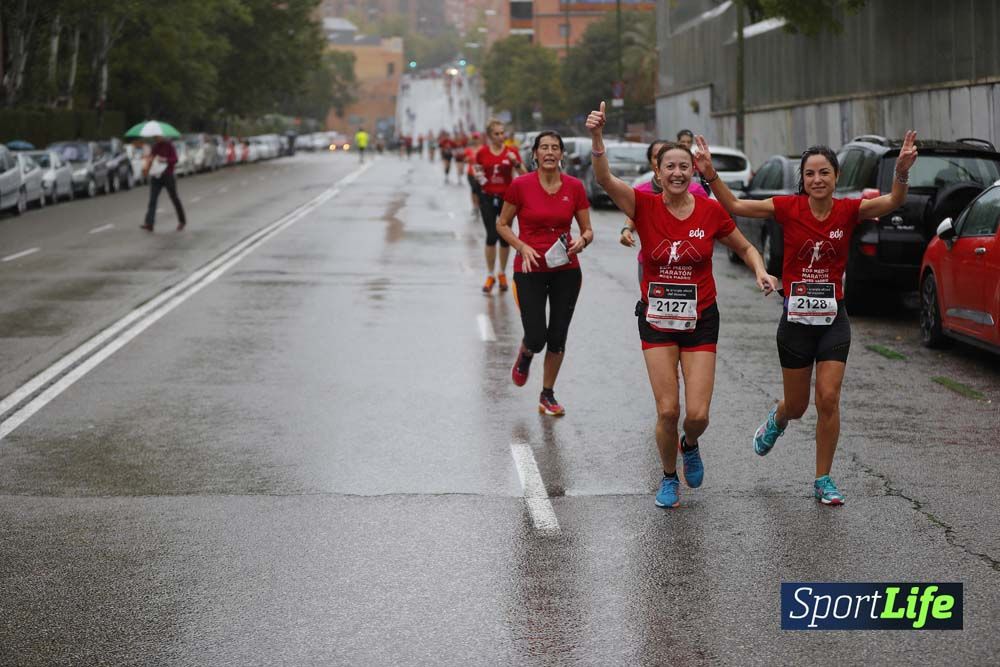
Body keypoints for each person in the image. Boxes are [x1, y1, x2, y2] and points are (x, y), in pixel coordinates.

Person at [694, 132, 919, 506]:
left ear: (835, 176)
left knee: (828, 399)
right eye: (811, 173)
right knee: (797, 406)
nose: (817, 179)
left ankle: (823, 478)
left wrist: (901, 171)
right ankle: (778, 419)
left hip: (833, 319)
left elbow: (895, 199)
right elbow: (734, 204)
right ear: (804, 178)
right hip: (796, 322)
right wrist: (710, 173)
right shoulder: (787, 207)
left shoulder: (848, 211)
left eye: (825, 173)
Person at [586, 102, 778, 509]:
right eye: (669, 166)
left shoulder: (709, 210)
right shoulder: (643, 204)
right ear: (657, 173)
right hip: (656, 319)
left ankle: (691, 444)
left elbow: (744, 246)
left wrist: (760, 270)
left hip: (701, 319)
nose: (676, 172)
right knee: (668, 409)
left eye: (684, 167)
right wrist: (598, 138)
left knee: (697, 415)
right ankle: (669, 476)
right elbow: (603, 178)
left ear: (692, 173)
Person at [497, 131, 593, 416]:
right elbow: (502, 224)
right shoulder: (520, 186)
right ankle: (526, 352)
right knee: (537, 337)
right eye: (544, 148)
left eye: (555, 148)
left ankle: (547, 394)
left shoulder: (574, 187)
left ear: (562, 154)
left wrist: (582, 241)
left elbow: (587, 229)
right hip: (529, 270)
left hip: (566, 270)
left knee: (558, 337)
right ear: (535, 154)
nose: (549, 152)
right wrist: (521, 245)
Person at [621, 138, 710, 284]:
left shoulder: (696, 191)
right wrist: (626, 229)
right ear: (653, 163)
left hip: (688, 265)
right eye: (656, 156)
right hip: (652, 264)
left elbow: (711, 222)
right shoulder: (641, 191)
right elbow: (634, 214)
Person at [474, 119, 527, 294]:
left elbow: (525, 176)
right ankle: (490, 275)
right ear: (489, 136)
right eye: (496, 134)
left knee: (505, 237)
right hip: (488, 197)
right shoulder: (482, 152)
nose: (500, 136)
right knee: (491, 235)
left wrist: (515, 163)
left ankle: (502, 273)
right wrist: (479, 178)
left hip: (507, 199)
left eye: (502, 133)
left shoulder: (511, 152)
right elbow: (478, 171)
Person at [141, 135, 186, 232]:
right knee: (152, 199)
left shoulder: (169, 146)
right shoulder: (155, 146)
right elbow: (151, 158)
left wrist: (164, 159)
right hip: (156, 176)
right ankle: (149, 223)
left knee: (174, 198)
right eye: (156, 137)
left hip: (168, 175)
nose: (157, 138)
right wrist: (148, 160)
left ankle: (182, 221)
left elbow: (175, 159)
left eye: (159, 136)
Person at [464, 132, 482, 215]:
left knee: (480, 190)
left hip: (481, 173)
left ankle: (479, 205)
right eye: (474, 138)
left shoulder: (483, 148)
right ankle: (475, 206)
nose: (476, 140)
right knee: (474, 189)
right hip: (471, 173)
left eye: (477, 138)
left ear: (479, 139)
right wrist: (468, 159)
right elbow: (464, 160)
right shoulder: (468, 149)